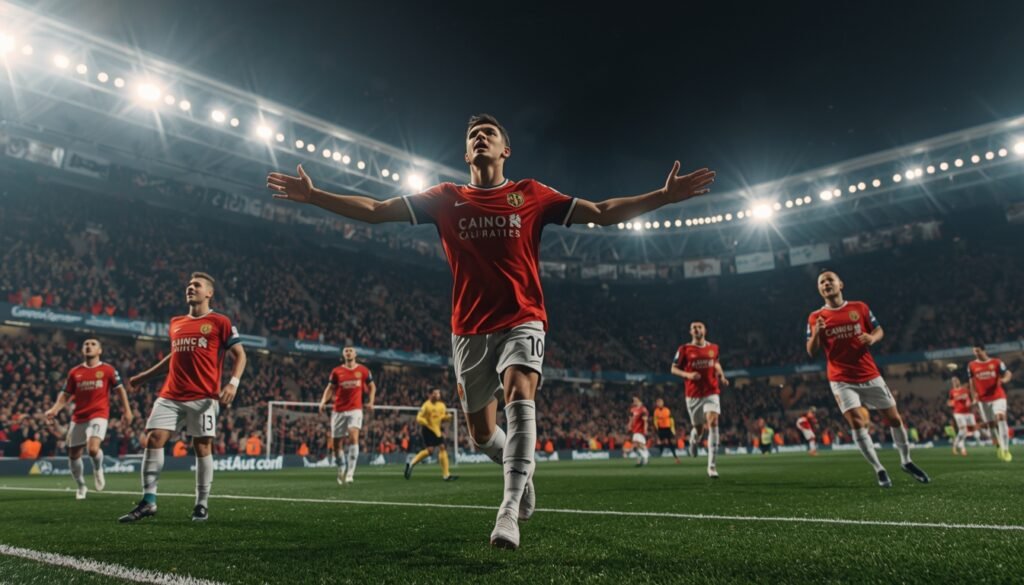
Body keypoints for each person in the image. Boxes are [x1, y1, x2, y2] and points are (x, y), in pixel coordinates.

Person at [267, 113, 715, 549]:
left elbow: (601, 212)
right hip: (468, 329)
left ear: (506, 150)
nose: (480, 138)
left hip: (523, 317)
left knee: (520, 393)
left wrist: (663, 196)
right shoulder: (445, 197)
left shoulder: (530, 194)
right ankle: (522, 471)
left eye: (489, 133)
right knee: (482, 434)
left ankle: (508, 509)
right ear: (466, 154)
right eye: (474, 135)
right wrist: (315, 196)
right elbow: (376, 211)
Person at [119, 272, 247, 522]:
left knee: (202, 446)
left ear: (209, 293)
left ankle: (201, 503)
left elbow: (240, 355)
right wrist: (144, 376)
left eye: (197, 285)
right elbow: (174, 356)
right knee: (154, 438)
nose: (191, 287)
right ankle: (148, 501)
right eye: (189, 285)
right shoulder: (176, 322)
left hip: (204, 396)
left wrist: (233, 383)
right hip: (171, 394)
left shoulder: (220, 321)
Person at [806, 270, 929, 487]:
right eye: (822, 282)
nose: (826, 284)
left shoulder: (859, 308)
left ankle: (906, 461)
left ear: (840, 284)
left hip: (869, 374)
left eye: (830, 280)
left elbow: (879, 330)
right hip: (841, 379)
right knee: (857, 422)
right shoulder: (815, 317)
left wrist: (872, 338)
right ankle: (879, 469)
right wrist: (817, 333)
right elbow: (811, 351)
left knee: (894, 419)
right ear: (819, 289)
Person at [44, 338, 133, 499]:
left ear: (100, 350)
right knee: (73, 454)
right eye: (86, 344)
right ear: (82, 349)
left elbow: (120, 390)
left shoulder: (108, 370)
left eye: (93, 344)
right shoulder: (74, 372)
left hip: (99, 414)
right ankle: (81, 486)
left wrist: (127, 410)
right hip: (79, 416)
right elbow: (65, 395)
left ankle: (98, 469)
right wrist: (54, 409)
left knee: (92, 449)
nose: (89, 346)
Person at [671, 321, 728, 478]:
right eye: (694, 327)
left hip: (711, 392)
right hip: (693, 395)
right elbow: (673, 368)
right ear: (690, 332)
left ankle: (712, 466)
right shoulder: (684, 349)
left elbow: (716, 363)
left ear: (705, 330)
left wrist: (722, 375)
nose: (697, 329)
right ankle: (693, 440)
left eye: (699, 327)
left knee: (713, 422)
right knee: (699, 428)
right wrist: (688, 375)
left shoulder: (714, 348)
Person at [318, 347, 376, 484]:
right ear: (343, 354)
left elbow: (372, 386)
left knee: (353, 437)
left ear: (355, 354)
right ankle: (341, 467)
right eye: (346, 351)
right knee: (336, 445)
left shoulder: (363, 370)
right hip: (338, 410)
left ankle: (350, 473)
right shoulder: (336, 371)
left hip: (355, 409)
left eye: (351, 350)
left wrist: (371, 401)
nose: (348, 352)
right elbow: (330, 388)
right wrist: (323, 401)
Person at [967, 345, 1013, 462]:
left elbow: (1008, 373)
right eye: (974, 352)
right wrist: (973, 397)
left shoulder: (996, 362)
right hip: (983, 399)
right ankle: (998, 445)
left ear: (983, 350)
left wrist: (1004, 380)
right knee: (991, 424)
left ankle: (1006, 449)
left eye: (978, 351)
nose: (976, 354)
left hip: (998, 396)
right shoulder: (971, 365)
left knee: (1001, 417)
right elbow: (971, 382)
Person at [405, 388, 458, 481]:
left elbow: (442, 417)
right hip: (428, 430)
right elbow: (419, 417)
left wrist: (448, 417)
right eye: (435, 393)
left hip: (437, 430)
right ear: (430, 395)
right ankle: (412, 463)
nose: (438, 395)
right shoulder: (426, 405)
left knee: (440, 448)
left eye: (438, 393)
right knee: (433, 450)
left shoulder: (442, 405)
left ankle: (446, 475)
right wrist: (425, 422)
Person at [947, 375, 977, 456]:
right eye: (953, 381)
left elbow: (970, 400)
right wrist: (953, 401)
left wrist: (970, 402)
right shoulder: (952, 392)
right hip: (958, 413)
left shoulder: (965, 390)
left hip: (967, 413)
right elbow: (949, 402)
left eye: (956, 380)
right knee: (963, 430)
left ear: (959, 381)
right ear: (952, 383)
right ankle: (961, 449)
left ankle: (956, 444)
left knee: (972, 431)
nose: (955, 382)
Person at [652, 398, 680, 463]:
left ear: (663, 403)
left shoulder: (667, 410)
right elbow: (655, 420)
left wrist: (673, 429)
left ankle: (675, 457)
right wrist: (656, 428)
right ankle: (658, 455)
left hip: (667, 428)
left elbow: (671, 420)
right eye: (658, 403)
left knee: (670, 442)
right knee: (661, 442)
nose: (659, 404)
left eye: (660, 402)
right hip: (660, 428)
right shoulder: (656, 411)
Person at [627, 396, 651, 467]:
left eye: (636, 400)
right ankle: (641, 459)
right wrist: (629, 425)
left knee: (638, 444)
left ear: (640, 401)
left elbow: (645, 420)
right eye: (634, 400)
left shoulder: (643, 409)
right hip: (634, 429)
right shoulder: (632, 409)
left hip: (640, 430)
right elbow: (631, 419)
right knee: (636, 446)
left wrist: (645, 429)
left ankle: (645, 458)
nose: (634, 401)